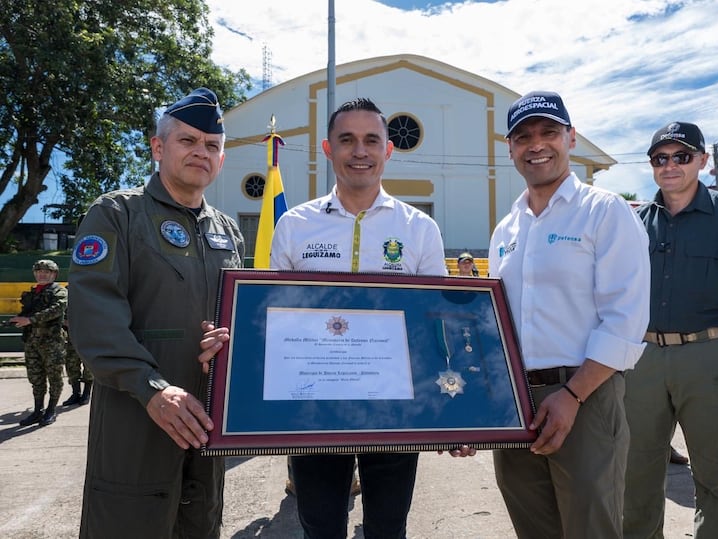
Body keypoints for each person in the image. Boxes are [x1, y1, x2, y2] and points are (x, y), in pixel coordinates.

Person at [203, 97, 447, 538]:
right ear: (327, 148)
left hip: (395, 411)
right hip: (312, 410)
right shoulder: (295, 224)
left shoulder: (419, 229)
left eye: (371, 140)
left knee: (388, 528)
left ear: (387, 150)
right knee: (320, 527)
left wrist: (452, 409)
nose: (360, 151)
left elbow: (436, 324)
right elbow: (272, 320)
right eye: (347, 140)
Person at [68, 88, 245, 539]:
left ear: (221, 161)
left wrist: (230, 341)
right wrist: (151, 389)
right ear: (158, 147)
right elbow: (94, 315)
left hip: (206, 422)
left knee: (200, 525)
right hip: (137, 416)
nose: (201, 152)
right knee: (130, 524)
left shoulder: (227, 231)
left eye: (212, 146)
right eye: (187, 141)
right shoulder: (117, 214)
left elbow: (237, 316)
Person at [489, 91, 650, 538]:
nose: (536, 144)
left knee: (590, 528)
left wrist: (573, 395)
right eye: (523, 136)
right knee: (533, 528)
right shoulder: (506, 230)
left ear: (571, 138)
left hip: (585, 394)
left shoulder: (605, 212)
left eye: (549, 133)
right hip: (517, 404)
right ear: (510, 149)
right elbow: (495, 326)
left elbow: (625, 318)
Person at [624, 121, 718, 539]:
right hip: (643, 362)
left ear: (703, 161)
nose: (671, 166)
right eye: (660, 158)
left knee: (717, 483)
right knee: (634, 481)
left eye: (682, 156)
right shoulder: (635, 223)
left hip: (714, 359)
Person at [12, 259, 67, 427]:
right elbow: (26, 313)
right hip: (32, 341)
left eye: (46, 272)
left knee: (54, 377)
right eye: (39, 271)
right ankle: (37, 410)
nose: (42, 274)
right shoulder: (32, 294)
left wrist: (30, 319)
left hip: (52, 342)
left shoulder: (60, 291)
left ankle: (51, 410)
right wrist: (18, 320)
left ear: (54, 274)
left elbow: (56, 309)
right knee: (36, 377)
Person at [61, 297, 93, 406]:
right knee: (71, 365)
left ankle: (86, 392)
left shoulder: (92, 291)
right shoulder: (67, 293)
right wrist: (65, 321)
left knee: (88, 367)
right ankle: (75, 393)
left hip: (88, 336)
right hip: (72, 337)